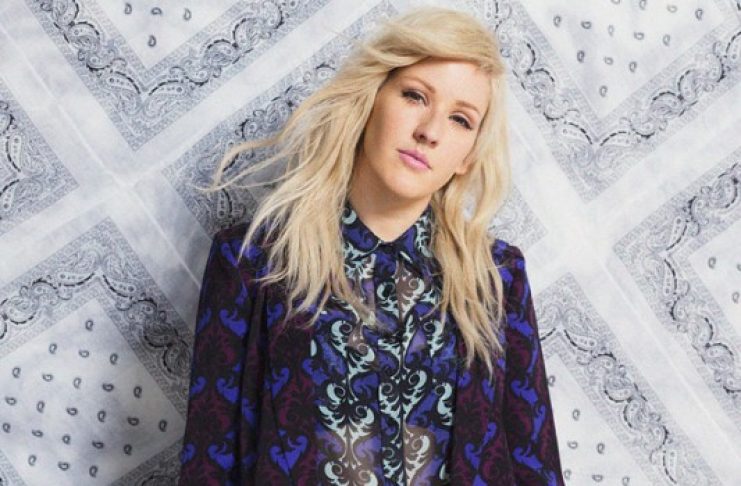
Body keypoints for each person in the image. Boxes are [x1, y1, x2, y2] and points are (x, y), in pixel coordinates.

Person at [177, 6, 564, 485]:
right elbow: (208, 464)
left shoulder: (496, 277)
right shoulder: (252, 263)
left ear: (469, 155)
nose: (430, 132)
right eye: (415, 96)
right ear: (371, 98)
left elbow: (535, 465)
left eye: (461, 120)